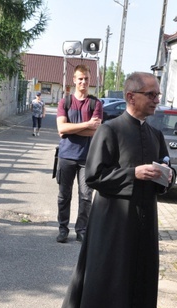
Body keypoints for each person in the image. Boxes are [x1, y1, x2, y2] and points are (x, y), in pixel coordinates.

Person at [56, 72, 170, 308]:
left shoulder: (156, 134)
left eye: (157, 94)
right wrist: (134, 173)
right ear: (131, 96)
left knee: (139, 274)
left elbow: (167, 168)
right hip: (113, 219)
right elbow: (94, 176)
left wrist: (168, 176)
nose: (157, 99)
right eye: (151, 95)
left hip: (145, 217)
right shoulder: (110, 130)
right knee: (110, 275)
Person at [55, 64, 103, 243]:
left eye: (86, 79)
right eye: (80, 78)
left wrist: (71, 129)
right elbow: (61, 128)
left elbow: (96, 131)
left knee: (85, 196)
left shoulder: (95, 103)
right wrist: (86, 125)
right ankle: (62, 228)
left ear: (90, 81)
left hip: (87, 158)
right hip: (66, 156)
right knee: (63, 195)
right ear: (74, 80)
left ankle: (81, 230)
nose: (83, 82)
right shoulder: (65, 102)